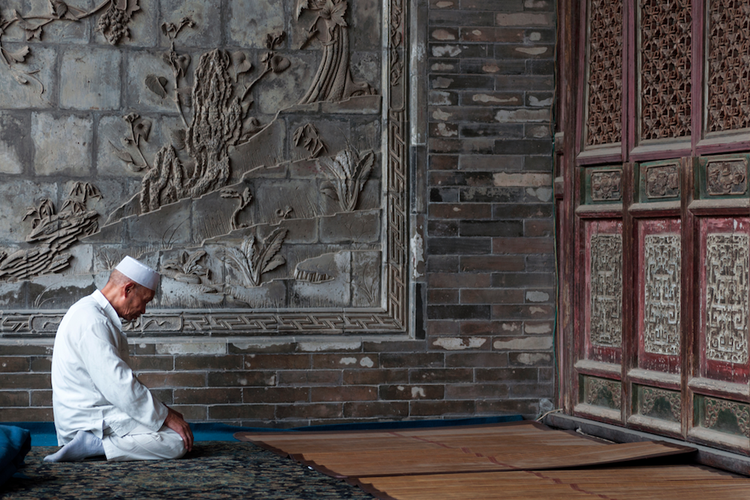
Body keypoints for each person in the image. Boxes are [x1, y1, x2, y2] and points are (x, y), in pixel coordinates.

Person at [44, 256, 194, 462]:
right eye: (145, 301)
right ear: (128, 289)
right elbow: (119, 385)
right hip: (89, 421)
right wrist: (165, 416)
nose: (144, 310)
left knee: (173, 429)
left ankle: (95, 445)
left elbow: (121, 381)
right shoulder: (92, 319)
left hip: (102, 412)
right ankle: (93, 444)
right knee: (177, 441)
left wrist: (165, 412)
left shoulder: (93, 313)